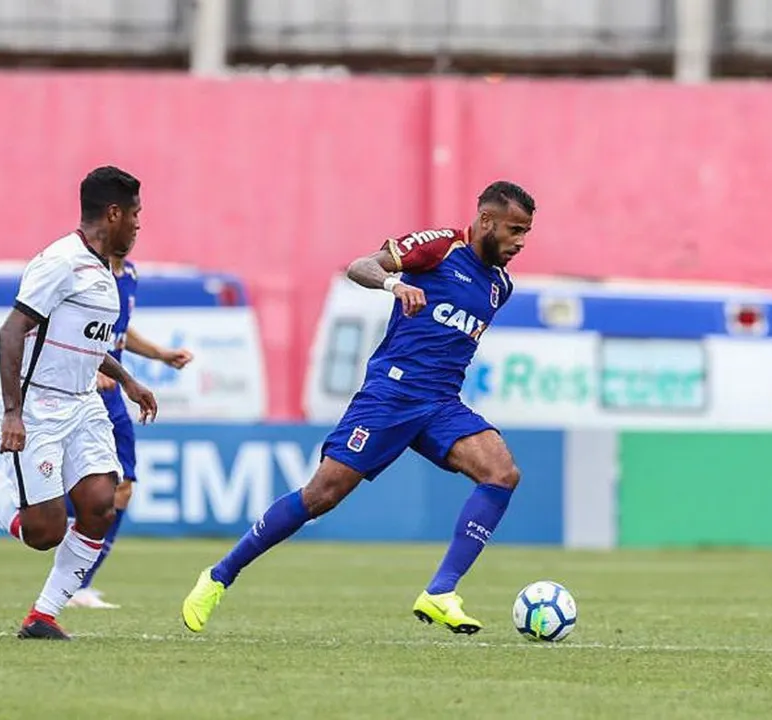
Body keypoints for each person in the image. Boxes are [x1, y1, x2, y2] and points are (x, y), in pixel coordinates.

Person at [181, 180, 535, 635]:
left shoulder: (499, 286)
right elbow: (360, 266)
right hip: (390, 396)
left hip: (441, 403)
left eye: (526, 232)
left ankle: (441, 590)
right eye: (514, 230)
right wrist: (394, 285)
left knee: (502, 472)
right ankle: (217, 576)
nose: (520, 242)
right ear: (486, 220)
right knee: (320, 496)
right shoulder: (441, 248)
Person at [0, 165, 158, 641]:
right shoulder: (59, 262)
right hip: (36, 407)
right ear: (114, 213)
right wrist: (14, 412)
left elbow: (80, 342)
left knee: (102, 503)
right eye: (137, 215)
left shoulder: (103, 271)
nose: (141, 225)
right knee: (44, 532)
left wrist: (127, 380)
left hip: (83, 403)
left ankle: (42, 616)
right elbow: (12, 330)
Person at [0, 251, 194, 612]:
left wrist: (159, 356)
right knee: (53, 522)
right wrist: (87, 364)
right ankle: (6, 496)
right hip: (81, 391)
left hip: (111, 393)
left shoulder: (128, 273)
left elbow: (118, 333)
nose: (135, 227)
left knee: (119, 492)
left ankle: (76, 583)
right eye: (131, 216)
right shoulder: (78, 271)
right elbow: (57, 332)